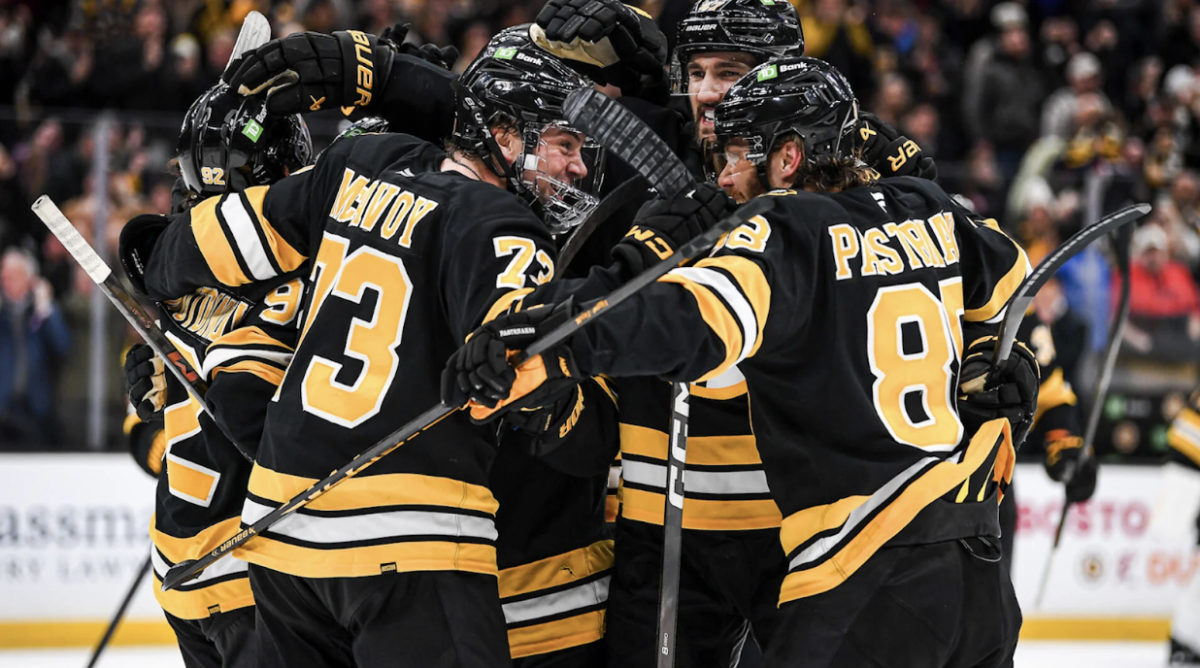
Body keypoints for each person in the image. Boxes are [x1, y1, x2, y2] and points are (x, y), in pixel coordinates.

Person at [447, 57, 1036, 668]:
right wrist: (994, 361)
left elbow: (688, 321)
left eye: (735, 156)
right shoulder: (926, 205)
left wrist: (552, 333)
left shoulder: (783, 229)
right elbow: (1015, 280)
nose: (722, 178)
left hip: (861, 570)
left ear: (787, 158)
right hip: (977, 563)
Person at [138, 32, 607, 668]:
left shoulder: (361, 161)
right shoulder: (503, 225)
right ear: (502, 133)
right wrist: (568, 407)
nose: (578, 168)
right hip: (411, 539)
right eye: (564, 146)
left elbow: (222, 234)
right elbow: (525, 375)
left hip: (282, 542)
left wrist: (156, 271)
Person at [119, 81, 313, 668]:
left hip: (183, 566)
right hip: (252, 565)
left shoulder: (175, 289)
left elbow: (161, 426)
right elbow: (237, 414)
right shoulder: (288, 280)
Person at [0, 247, 70, 447]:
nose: (6, 282)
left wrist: (46, 310)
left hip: (36, 407)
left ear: (29, 278)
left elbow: (62, 347)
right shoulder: (2, 312)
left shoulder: (41, 310)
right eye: (4, 276)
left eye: (12, 276)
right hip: (3, 405)